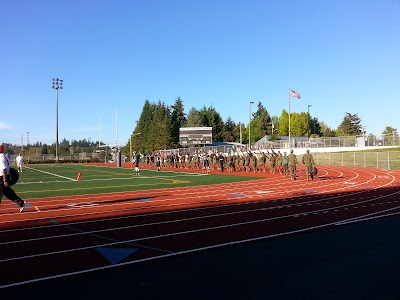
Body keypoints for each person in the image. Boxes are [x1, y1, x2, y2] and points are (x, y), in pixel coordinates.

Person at [0, 145, 26, 212]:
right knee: (7, 192)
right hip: (6, 176)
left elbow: (4, 169)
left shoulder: (1, 157)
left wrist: (5, 180)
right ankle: (20, 202)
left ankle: (20, 202)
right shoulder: (5, 156)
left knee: (2, 192)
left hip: (2, 177)